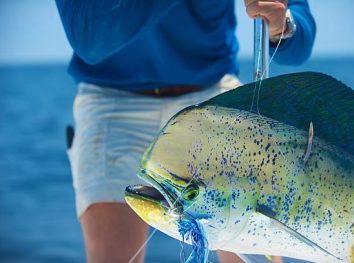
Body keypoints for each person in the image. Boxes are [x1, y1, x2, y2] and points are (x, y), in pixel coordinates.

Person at [56, 0, 315, 262]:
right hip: (112, 101)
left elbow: (299, 45)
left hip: (212, 98)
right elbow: (89, 38)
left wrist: (283, 25)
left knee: (255, 249)